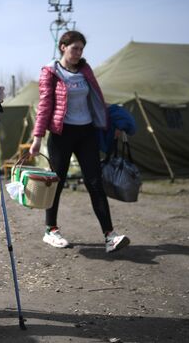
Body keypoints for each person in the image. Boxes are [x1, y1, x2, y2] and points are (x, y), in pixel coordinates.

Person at [29, 30, 130, 253]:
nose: (79, 53)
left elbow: (97, 99)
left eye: (81, 49)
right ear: (63, 47)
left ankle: (110, 236)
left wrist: (109, 125)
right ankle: (51, 230)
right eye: (75, 48)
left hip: (87, 132)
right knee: (56, 184)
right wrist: (37, 139)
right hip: (61, 134)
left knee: (95, 183)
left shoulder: (85, 70)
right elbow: (44, 106)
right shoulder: (51, 72)